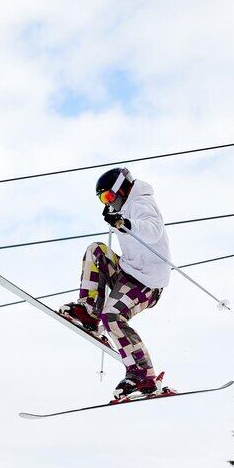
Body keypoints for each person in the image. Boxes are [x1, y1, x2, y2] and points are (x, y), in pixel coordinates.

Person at [58, 167, 171, 398]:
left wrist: (126, 223)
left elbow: (153, 231)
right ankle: (89, 310)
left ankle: (143, 373)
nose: (108, 202)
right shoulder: (124, 209)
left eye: (109, 196)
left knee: (112, 317)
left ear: (122, 189)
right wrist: (120, 220)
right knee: (96, 251)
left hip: (147, 283)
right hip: (130, 271)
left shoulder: (141, 203)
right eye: (102, 199)